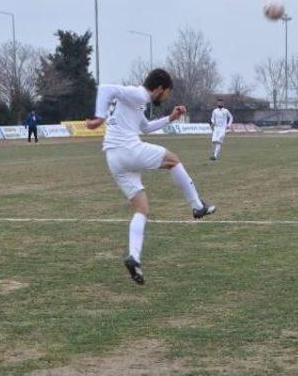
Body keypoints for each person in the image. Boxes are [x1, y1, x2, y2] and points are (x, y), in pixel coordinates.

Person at [85, 68, 216, 285]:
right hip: (127, 149)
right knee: (173, 160)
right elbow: (105, 88)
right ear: (159, 89)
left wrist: (171, 118)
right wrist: (100, 117)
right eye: (167, 93)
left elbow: (145, 128)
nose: (166, 98)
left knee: (142, 209)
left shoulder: (138, 102)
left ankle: (133, 257)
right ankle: (196, 205)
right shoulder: (138, 93)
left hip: (114, 158)